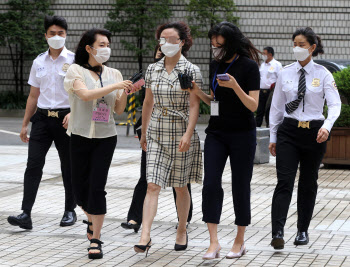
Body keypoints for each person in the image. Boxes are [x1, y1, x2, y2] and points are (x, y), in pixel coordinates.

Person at [64, 28, 138, 259]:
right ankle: (92, 217)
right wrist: (116, 87)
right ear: (89, 48)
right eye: (102, 44)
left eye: (108, 44)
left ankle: (95, 239)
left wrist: (126, 91)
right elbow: (85, 95)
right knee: (78, 190)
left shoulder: (114, 73)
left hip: (106, 137)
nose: (106, 48)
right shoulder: (75, 70)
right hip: (80, 135)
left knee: (97, 186)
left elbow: (118, 109)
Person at [190, 21, 260, 259]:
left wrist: (235, 86)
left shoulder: (249, 67)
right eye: (212, 44)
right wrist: (196, 91)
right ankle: (213, 242)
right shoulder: (215, 65)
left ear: (230, 43)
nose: (215, 48)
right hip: (216, 132)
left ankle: (239, 241)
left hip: (243, 133)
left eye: (218, 44)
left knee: (240, 185)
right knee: (210, 184)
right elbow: (214, 101)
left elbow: (253, 105)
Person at [134, 21, 203, 257]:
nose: (165, 43)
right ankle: (145, 234)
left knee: (180, 186)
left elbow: (195, 106)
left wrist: (188, 133)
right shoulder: (152, 69)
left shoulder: (191, 70)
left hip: (181, 131)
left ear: (182, 42)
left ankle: (182, 229)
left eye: (171, 39)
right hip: (156, 131)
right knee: (152, 184)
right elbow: (147, 102)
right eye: (161, 39)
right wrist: (144, 130)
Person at [269, 27, 341, 250]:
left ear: (312, 47)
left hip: (315, 133)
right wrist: (273, 135)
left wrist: (327, 126)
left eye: (301, 45)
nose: (297, 48)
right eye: (294, 44)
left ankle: (302, 231)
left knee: (308, 183)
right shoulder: (285, 72)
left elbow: (335, 104)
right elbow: (276, 107)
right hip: (289, 131)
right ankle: (278, 231)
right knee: (284, 181)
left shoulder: (323, 74)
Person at [7, 15, 77, 230]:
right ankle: (25, 214)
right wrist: (24, 124)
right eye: (52, 33)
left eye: (61, 33)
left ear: (66, 35)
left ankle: (69, 210)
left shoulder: (74, 60)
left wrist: (74, 113)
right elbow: (33, 96)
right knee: (34, 165)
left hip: (66, 118)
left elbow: (82, 92)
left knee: (69, 166)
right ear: (45, 35)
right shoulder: (38, 61)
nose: (56, 37)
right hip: (42, 120)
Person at [121, 45, 193, 233]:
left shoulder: (186, 71)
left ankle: (184, 219)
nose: (161, 53)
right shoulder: (151, 73)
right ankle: (135, 218)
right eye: (159, 50)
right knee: (147, 177)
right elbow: (142, 101)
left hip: (177, 130)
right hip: (153, 131)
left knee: (180, 180)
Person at [256, 46, 282, 127]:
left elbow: (280, 78)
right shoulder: (262, 65)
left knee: (269, 110)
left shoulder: (277, 65)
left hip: (271, 92)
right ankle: (257, 127)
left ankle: (269, 127)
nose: (263, 55)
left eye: (264, 53)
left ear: (270, 54)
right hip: (261, 90)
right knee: (260, 110)